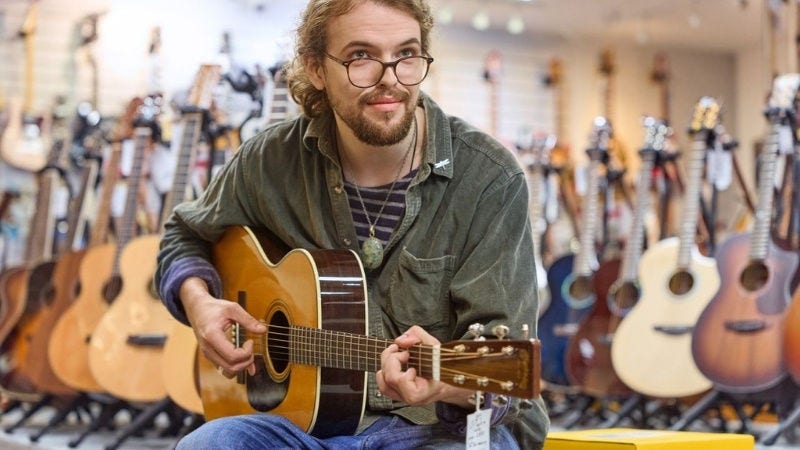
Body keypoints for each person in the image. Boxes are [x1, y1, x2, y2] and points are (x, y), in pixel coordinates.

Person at [155, 0, 549, 448]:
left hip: (436, 429)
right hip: (301, 423)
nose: (389, 79)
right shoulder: (270, 160)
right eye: (361, 56)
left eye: (406, 55)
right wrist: (201, 306)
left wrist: (444, 384)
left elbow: (504, 382)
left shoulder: (488, 178)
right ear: (316, 68)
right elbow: (184, 234)